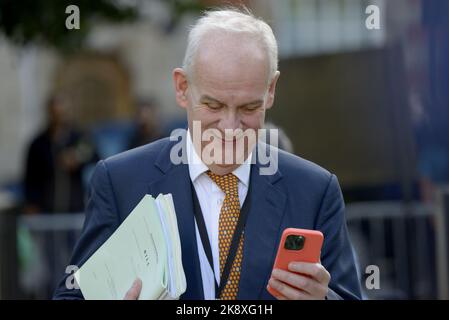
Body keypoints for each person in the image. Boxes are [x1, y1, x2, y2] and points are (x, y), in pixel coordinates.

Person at [54, 8, 361, 300]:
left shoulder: (315, 191)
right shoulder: (120, 182)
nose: (230, 127)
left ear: (271, 90)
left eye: (248, 108)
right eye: (213, 106)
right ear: (182, 87)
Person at [24, 94, 97, 214]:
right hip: (47, 210)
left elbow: (95, 157)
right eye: (55, 113)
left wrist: (77, 158)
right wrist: (31, 203)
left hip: (74, 208)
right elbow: (31, 179)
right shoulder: (38, 144)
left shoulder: (80, 138)